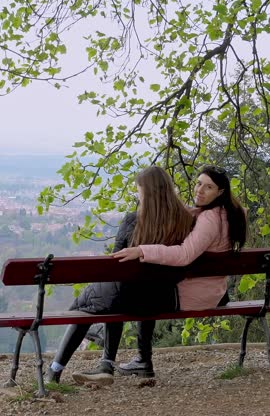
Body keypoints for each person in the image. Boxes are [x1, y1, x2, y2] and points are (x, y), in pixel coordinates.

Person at [68, 164, 247, 384]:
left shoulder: (210, 219)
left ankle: (115, 352)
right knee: (147, 283)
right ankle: (141, 359)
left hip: (191, 295)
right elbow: (190, 218)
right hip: (214, 292)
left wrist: (142, 250)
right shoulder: (223, 213)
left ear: (220, 192)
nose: (200, 190)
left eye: (208, 187)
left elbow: (184, 254)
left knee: (144, 284)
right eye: (199, 183)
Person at [45, 166, 195, 385]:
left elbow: (114, 264)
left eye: (139, 191)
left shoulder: (134, 221)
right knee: (119, 296)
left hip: (126, 296)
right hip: (163, 300)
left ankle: (54, 372)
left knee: (83, 309)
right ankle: (131, 362)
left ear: (146, 193)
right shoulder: (186, 221)